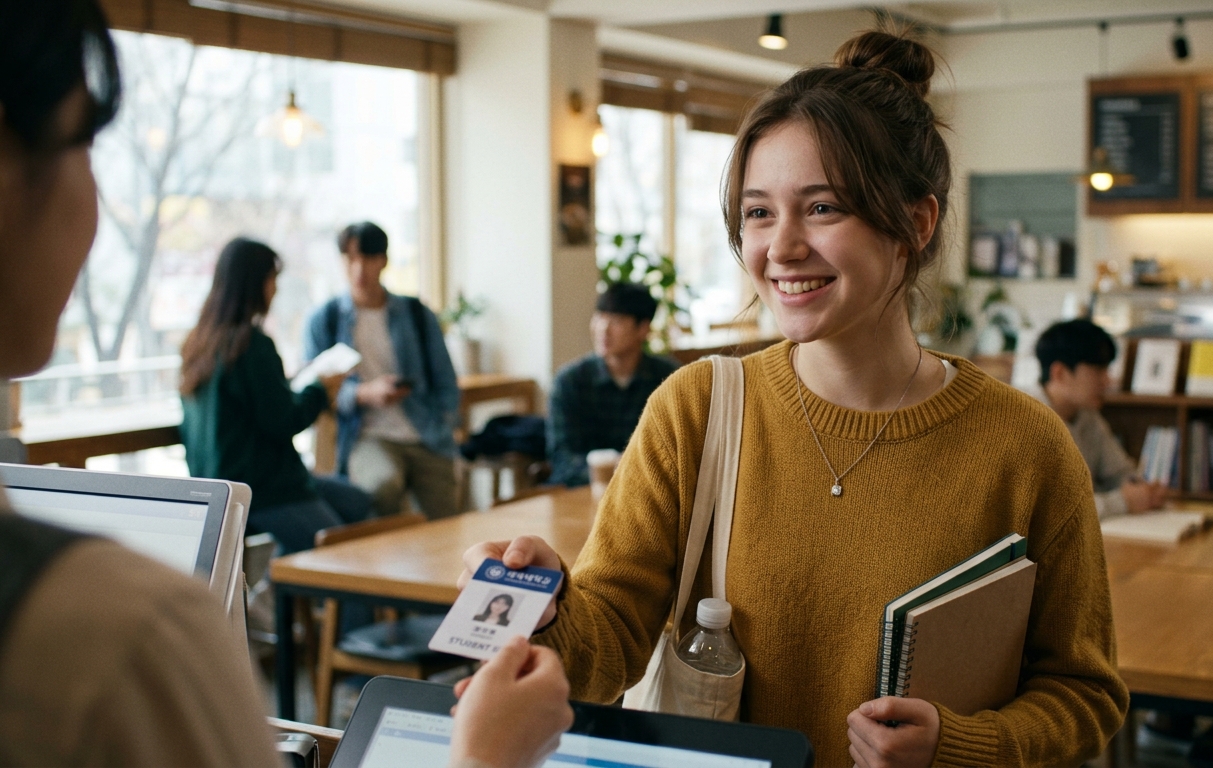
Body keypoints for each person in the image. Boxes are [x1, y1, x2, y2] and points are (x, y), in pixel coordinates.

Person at [461, 29, 1126, 767]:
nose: (781, 246)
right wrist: (548, 608)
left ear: (916, 222)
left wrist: (960, 747)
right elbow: (605, 649)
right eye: (758, 213)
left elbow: (1084, 694)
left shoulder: (1024, 446)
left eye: (822, 208)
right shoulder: (696, 410)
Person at [0, 3, 572, 765]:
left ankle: (384, 639)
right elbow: (283, 418)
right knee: (360, 506)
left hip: (279, 471)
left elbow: (432, 382)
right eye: (86, 146)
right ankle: (381, 645)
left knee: (367, 504)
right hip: (276, 480)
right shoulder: (125, 637)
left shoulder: (204, 342)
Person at [180, 237, 373, 553]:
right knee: (345, 553)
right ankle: (299, 588)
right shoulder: (250, 344)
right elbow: (284, 420)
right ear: (255, 284)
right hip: (266, 488)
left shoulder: (200, 344)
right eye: (272, 279)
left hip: (219, 486)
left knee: (357, 501)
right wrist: (320, 388)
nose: (275, 289)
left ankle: (279, 586)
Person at [305, 222, 461, 519]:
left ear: (384, 261)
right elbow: (312, 389)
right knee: (381, 490)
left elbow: (446, 380)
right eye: (350, 259)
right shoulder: (325, 320)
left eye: (368, 258)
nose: (359, 269)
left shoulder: (415, 314)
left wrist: (445, 422)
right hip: (365, 434)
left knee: (447, 521)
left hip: (426, 431)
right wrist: (363, 394)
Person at [1027, 319, 1167, 518]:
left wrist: (1143, 490)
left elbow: (1119, 473)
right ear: (1060, 373)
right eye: (1098, 370)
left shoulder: (1087, 415)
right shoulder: (1025, 423)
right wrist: (1123, 502)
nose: (1108, 381)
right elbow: (1049, 514)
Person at [547, 282, 680, 487]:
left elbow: (679, 452)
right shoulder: (571, 381)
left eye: (616, 321)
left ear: (643, 329)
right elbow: (562, 459)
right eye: (599, 317)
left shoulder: (668, 379)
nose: (603, 329)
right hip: (582, 494)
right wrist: (614, 469)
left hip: (648, 494)